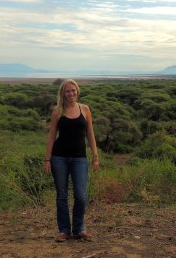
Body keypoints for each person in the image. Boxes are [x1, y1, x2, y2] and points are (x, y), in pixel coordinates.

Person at [44, 79, 100, 242]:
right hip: (59, 157)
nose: (71, 93)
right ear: (63, 93)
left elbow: (90, 134)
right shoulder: (57, 111)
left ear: (77, 91)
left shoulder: (85, 109)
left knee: (80, 196)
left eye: (73, 90)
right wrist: (47, 159)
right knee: (61, 196)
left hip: (79, 158)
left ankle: (79, 228)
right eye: (68, 91)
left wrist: (95, 156)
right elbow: (51, 136)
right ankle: (64, 230)